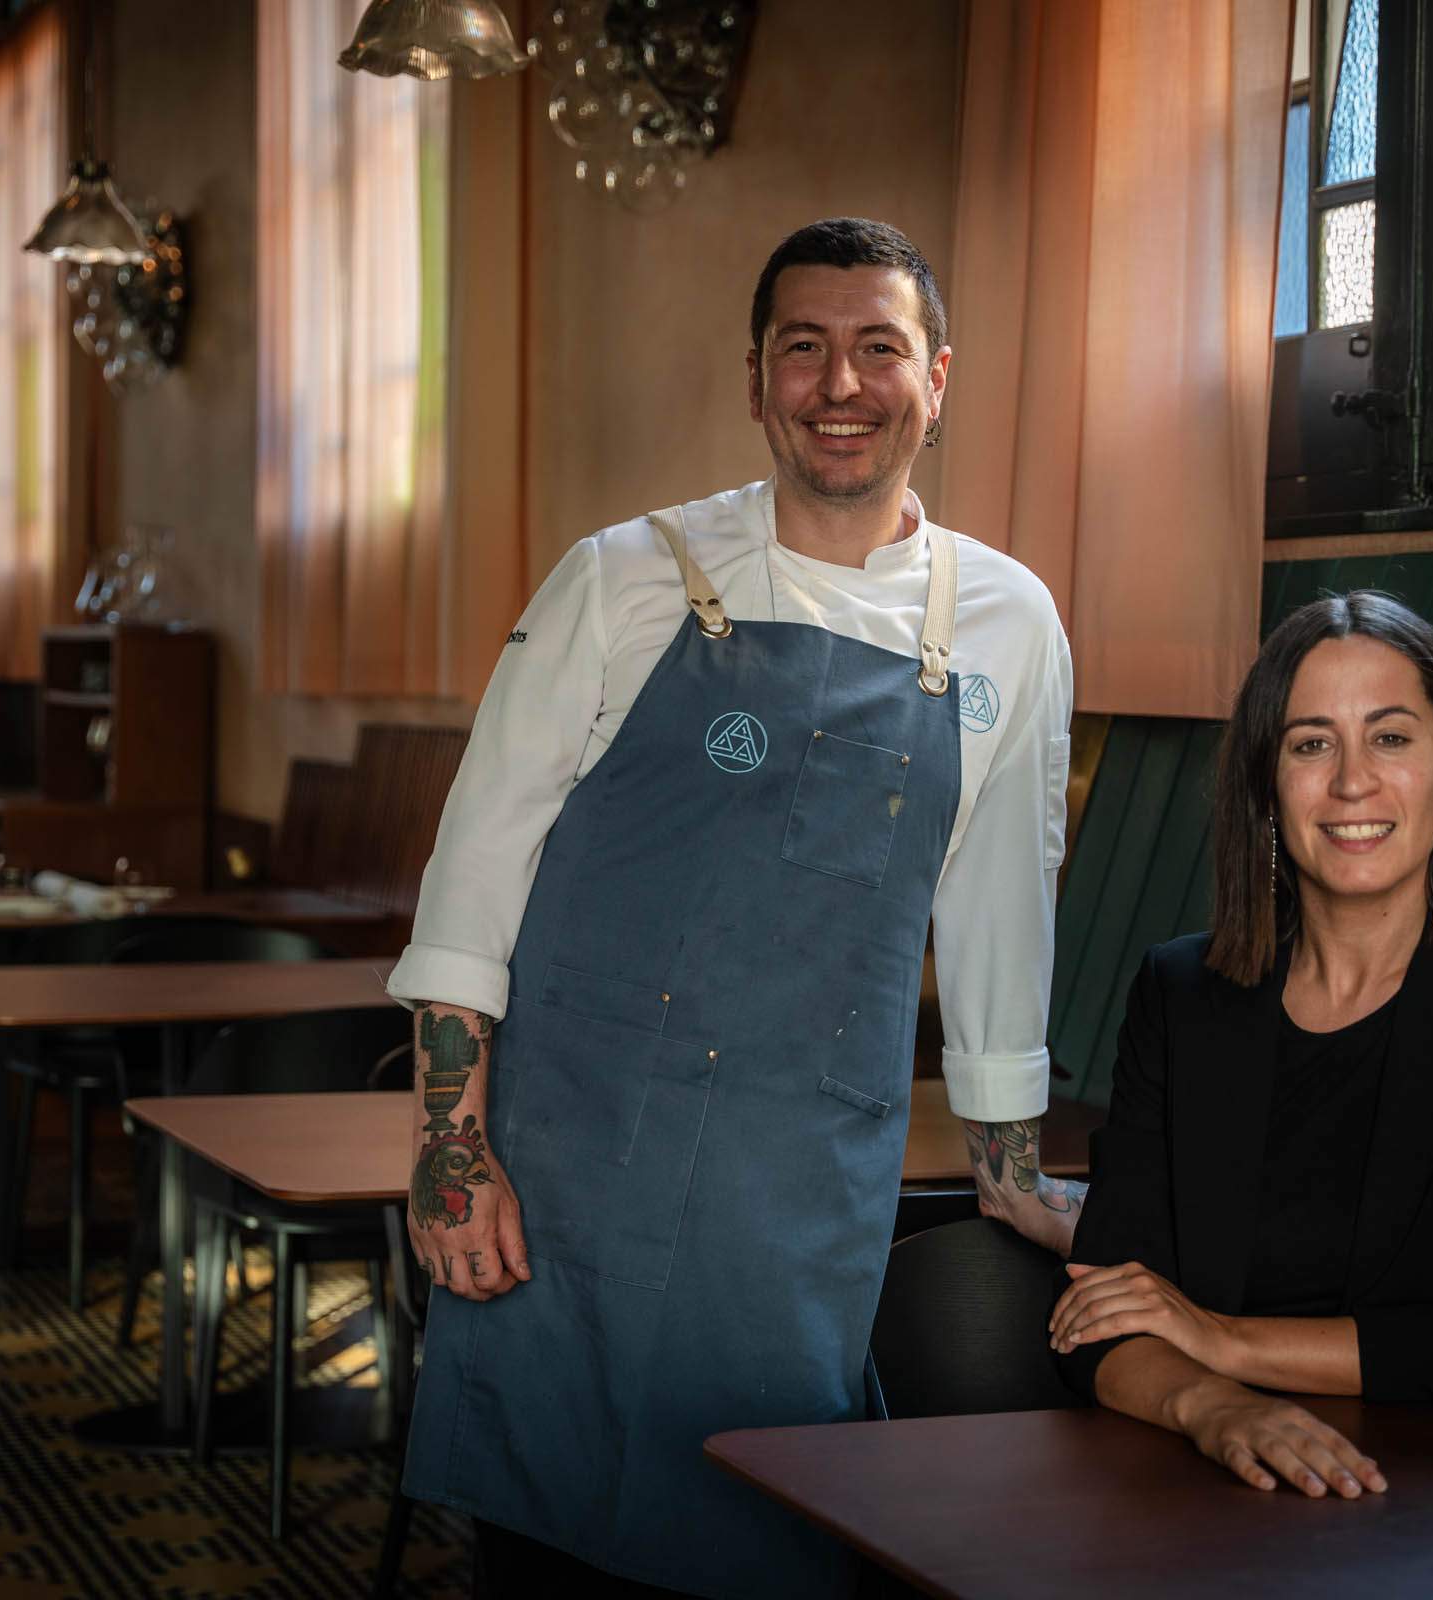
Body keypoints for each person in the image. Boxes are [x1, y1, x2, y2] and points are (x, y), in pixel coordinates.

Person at [382, 218, 1078, 1596]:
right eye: (804, 348)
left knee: (768, 1534)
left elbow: (1002, 910)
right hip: (565, 1174)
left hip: (799, 1190)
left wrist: (1009, 1174)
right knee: (548, 1549)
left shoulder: (1007, 619)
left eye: (879, 348)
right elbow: (476, 872)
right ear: (754, 380)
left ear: (938, 378)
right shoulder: (621, 575)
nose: (841, 384)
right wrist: (450, 1151)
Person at [1046, 591, 1433, 1499]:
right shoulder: (1182, 994)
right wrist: (1213, 1406)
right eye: (1311, 743)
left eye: (1391, 737)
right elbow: (1107, 1315)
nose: (1352, 781)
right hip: (1201, 1496)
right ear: (1266, 780)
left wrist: (1223, 1339)